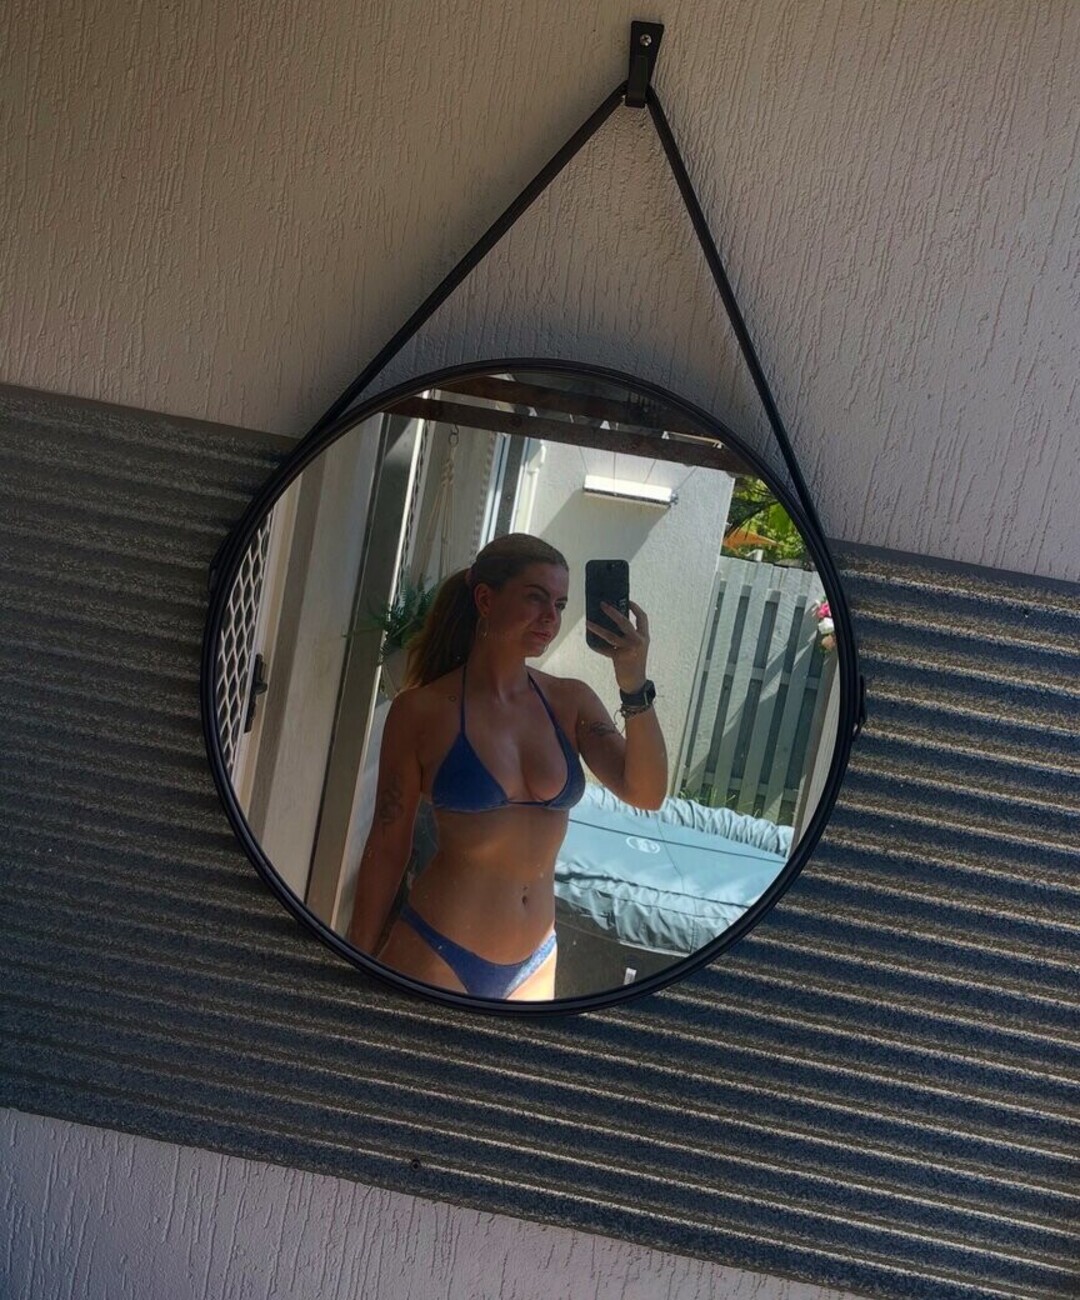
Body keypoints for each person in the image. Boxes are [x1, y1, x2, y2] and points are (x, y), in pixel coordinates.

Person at [346, 533, 667, 1000]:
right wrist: (355, 956)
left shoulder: (570, 701)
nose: (550, 617)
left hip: (536, 960)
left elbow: (647, 793)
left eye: (559, 604)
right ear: (485, 599)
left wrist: (633, 684)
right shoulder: (421, 711)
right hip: (436, 949)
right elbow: (388, 845)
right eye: (536, 598)